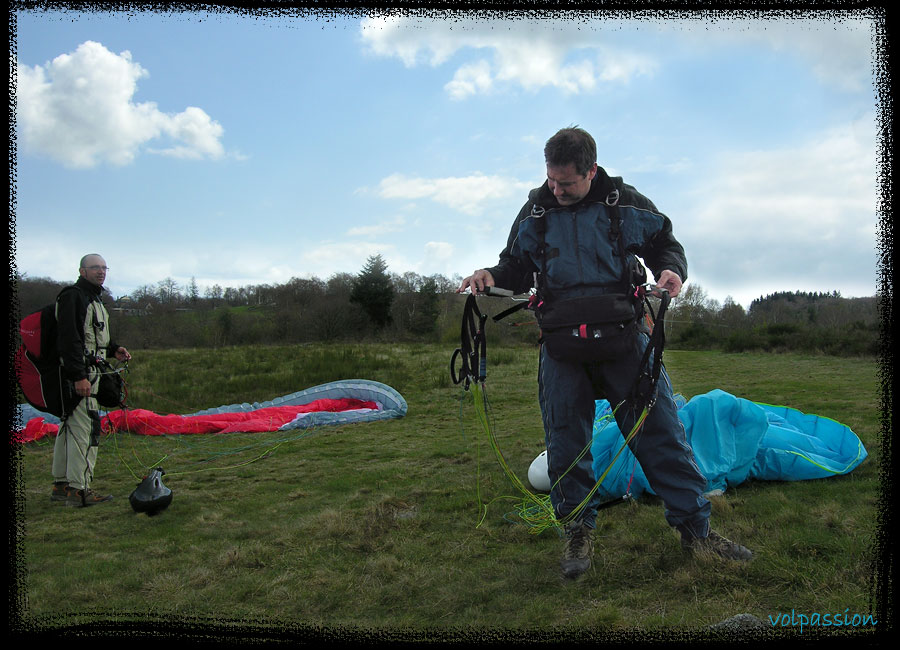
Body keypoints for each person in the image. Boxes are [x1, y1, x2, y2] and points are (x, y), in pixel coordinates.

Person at [458, 127, 752, 579]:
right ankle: (577, 533)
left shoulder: (624, 202)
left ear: (591, 171)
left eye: (567, 184)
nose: (556, 191)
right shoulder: (535, 210)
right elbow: (515, 267)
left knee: (662, 436)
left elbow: (664, 244)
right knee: (566, 445)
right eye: (551, 181)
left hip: (625, 342)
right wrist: (488, 274)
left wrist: (671, 270)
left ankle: (698, 533)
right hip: (560, 348)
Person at [50, 254, 131, 507]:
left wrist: (112, 349)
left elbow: (92, 340)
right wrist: (79, 377)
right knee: (87, 429)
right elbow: (69, 339)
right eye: (95, 267)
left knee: (70, 428)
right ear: (82, 271)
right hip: (81, 376)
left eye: (104, 267)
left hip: (87, 371)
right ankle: (80, 490)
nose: (101, 271)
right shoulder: (74, 296)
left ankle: (62, 485)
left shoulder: (94, 299)